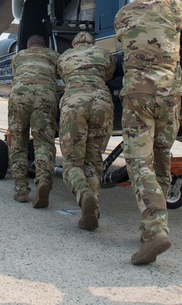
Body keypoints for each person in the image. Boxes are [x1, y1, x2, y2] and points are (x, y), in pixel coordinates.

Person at [114, 0, 182, 265]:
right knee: (161, 156)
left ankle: (155, 228)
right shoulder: (175, 6)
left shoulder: (124, 13)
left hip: (138, 96)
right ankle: (154, 227)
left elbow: (122, 40)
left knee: (138, 162)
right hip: (170, 95)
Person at [56, 31, 116, 231]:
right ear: (92, 43)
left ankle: (83, 194)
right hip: (102, 102)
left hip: (74, 103)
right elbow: (110, 73)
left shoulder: (64, 56)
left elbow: (62, 77)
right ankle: (93, 210)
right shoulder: (103, 53)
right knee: (94, 160)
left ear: (74, 45)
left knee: (72, 163)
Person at [8, 34, 60, 207]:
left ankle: (21, 189)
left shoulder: (18, 56)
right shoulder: (53, 55)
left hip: (19, 97)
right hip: (45, 96)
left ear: (29, 46)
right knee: (44, 141)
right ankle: (44, 180)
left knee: (18, 141)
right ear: (44, 45)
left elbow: (16, 73)